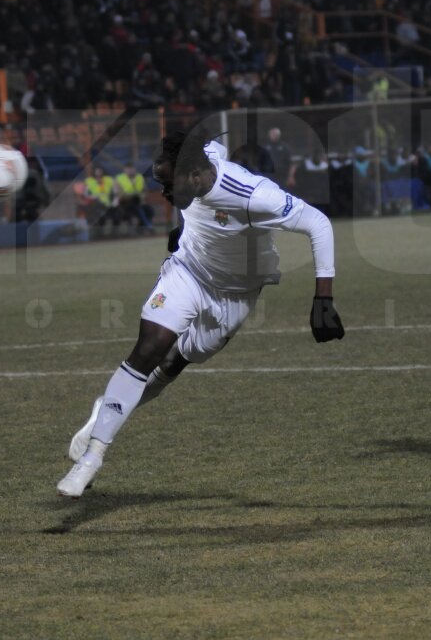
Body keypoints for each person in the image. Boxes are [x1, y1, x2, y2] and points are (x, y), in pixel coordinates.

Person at [57, 130, 345, 498]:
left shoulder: (254, 195)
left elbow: (318, 223)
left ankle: (106, 411)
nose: (165, 194)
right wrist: (182, 229)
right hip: (188, 272)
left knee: (175, 362)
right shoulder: (198, 156)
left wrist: (323, 299)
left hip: (236, 293)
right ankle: (91, 458)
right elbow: (197, 156)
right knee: (149, 347)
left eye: (170, 186)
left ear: (195, 175)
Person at [114, 161, 153, 231]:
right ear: (124, 170)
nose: (130, 171)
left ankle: (140, 227)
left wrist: (142, 196)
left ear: (134, 169)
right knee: (138, 209)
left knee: (150, 211)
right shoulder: (119, 178)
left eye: (132, 169)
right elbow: (119, 193)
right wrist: (133, 195)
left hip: (139, 201)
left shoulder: (139, 177)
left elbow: (145, 191)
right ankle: (148, 226)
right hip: (125, 203)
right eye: (128, 169)